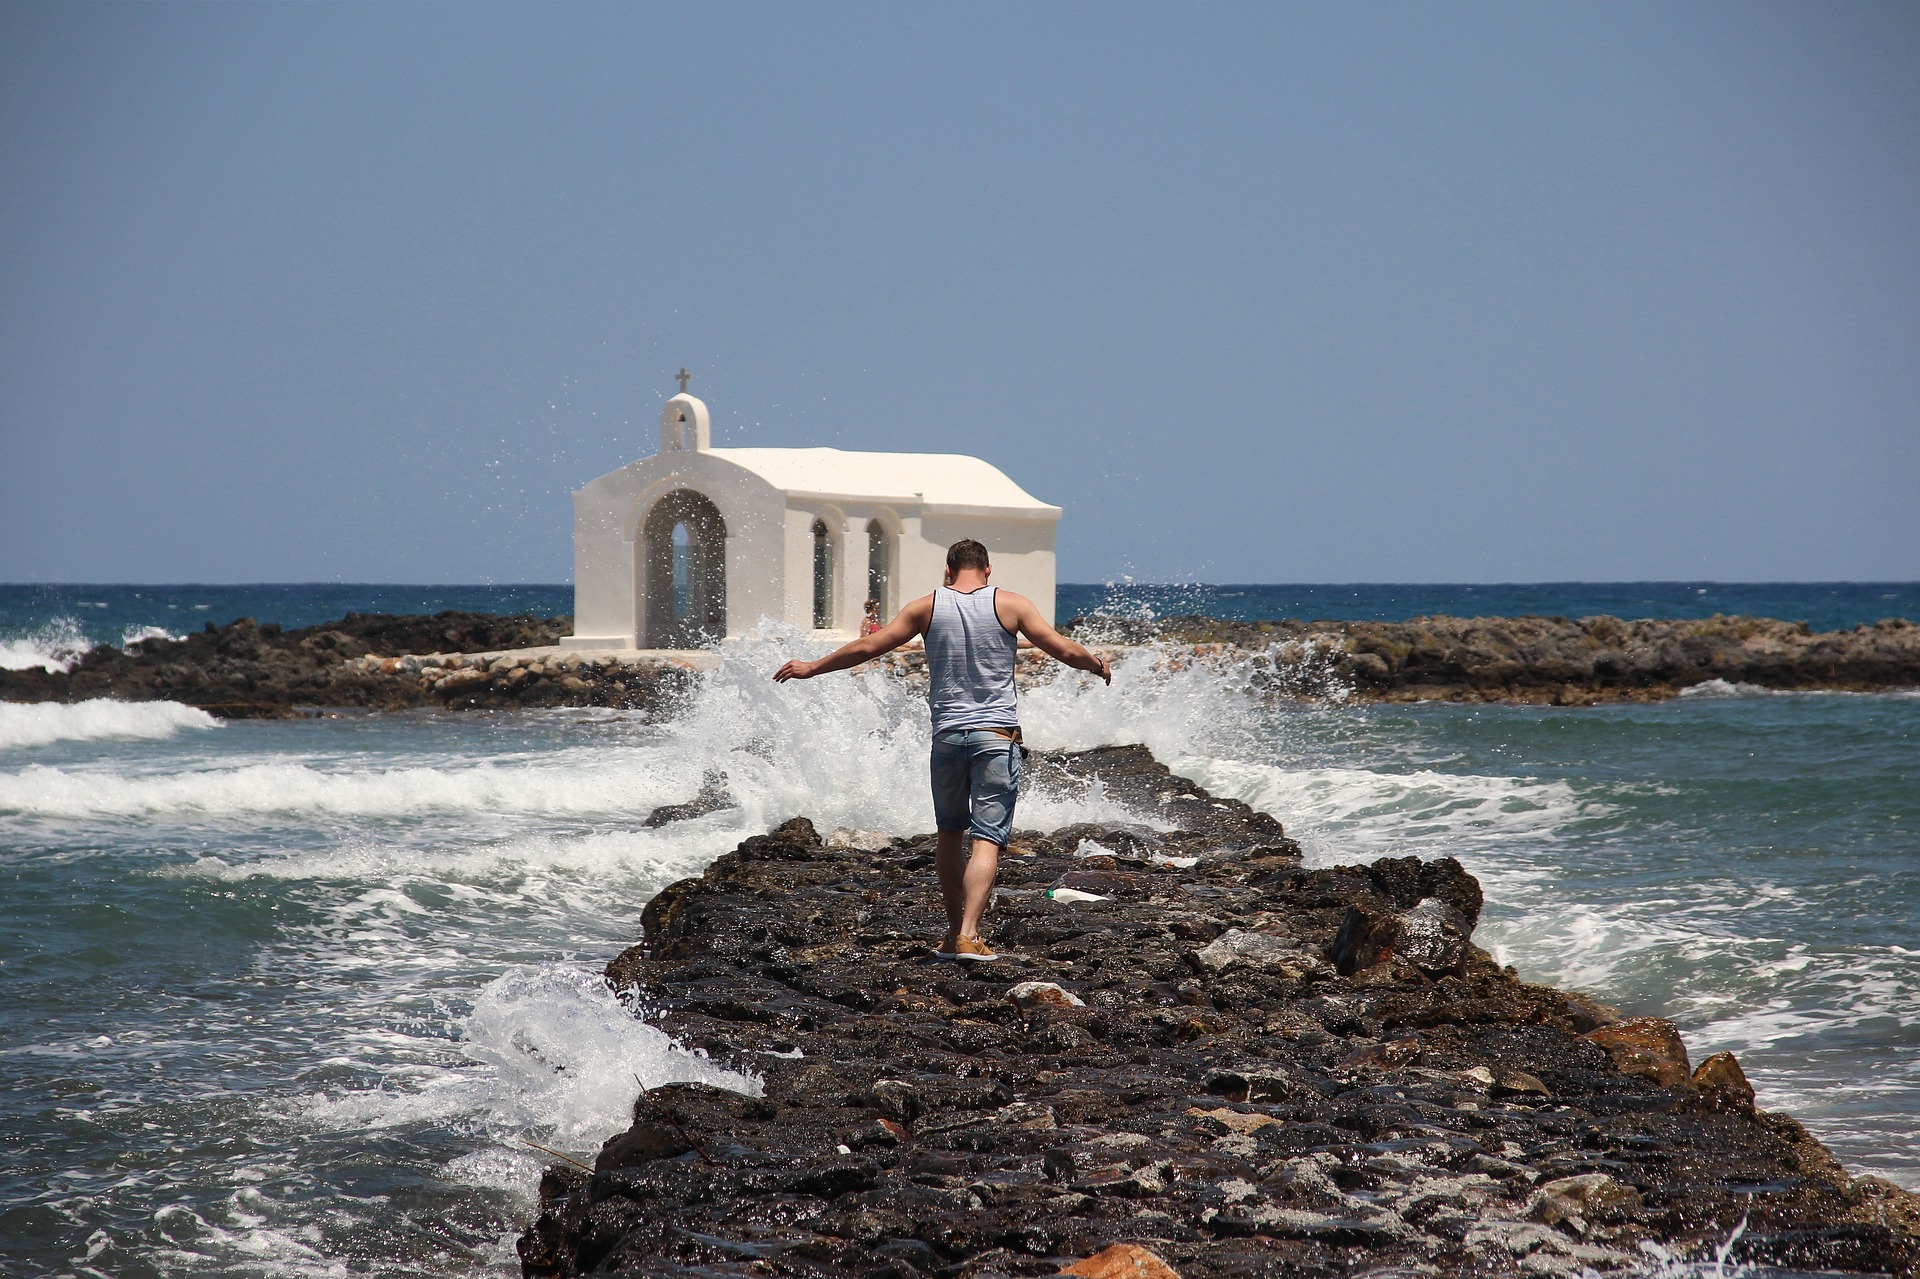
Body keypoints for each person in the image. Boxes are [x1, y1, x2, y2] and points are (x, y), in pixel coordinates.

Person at [773, 538, 1112, 960]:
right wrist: (1096, 664)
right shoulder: (1011, 604)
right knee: (986, 839)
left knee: (950, 835)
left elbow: (867, 647)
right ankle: (969, 933)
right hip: (996, 737)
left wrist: (811, 667)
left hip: (948, 738)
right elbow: (1061, 649)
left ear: (947, 570)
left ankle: (954, 935)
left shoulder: (925, 607)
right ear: (988, 570)